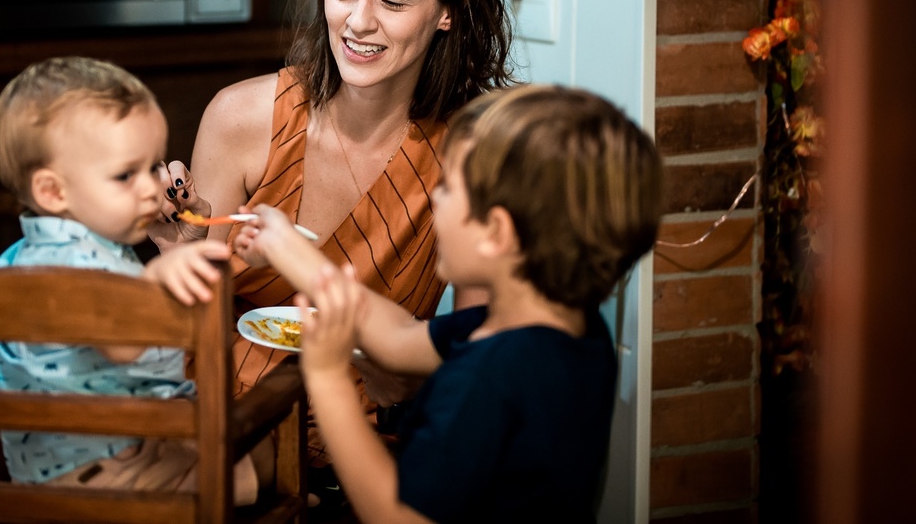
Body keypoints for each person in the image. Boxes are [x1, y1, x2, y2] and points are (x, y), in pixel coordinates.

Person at [184, 0, 516, 459]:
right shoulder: (238, 118)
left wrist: (405, 383)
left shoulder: (473, 152)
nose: (359, 22)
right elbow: (193, 312)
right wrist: (175, 241)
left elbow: (473, 358)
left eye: (392, 0)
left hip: (369, 443)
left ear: (447, 11)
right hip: (220, 428)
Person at [241, 84, 664, 523]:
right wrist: (290, 250)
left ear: (496, 233)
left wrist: (328, 378)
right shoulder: (566, 332)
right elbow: (397, 338)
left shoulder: (484, 378)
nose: (435, 199)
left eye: (448, 189)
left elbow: (396, 516)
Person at [0, 56, 264, 503]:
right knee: (259, 459)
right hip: (102, 475)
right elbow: (123, 343)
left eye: (152, 166)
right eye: (125, 175)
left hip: (101, 456)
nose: (153, 188)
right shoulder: (68, 266)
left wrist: (179, 251)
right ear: (53, 191)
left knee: (242, 453)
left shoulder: (36, 254)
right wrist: (156, 281)